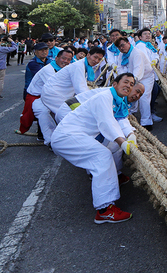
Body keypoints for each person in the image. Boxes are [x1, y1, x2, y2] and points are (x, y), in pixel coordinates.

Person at [51, 73, 139, 224]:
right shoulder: (104, 97)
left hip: (80, 135)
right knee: (102, 156)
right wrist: (122, 142)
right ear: (115, 83)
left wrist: (131, 135)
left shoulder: (118, 101)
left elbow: (121, 119)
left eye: (132, 84)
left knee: (110, 149)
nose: (129, 86)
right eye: (126, 82)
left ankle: (112, 176)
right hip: (67, 136)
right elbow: (107, 122)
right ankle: (105, 210)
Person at [25, 50, 74, 139]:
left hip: (52, 96)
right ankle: (50, 140)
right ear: (56, 58)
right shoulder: (48, 70)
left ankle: (62, 134)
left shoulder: (68, 68)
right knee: (44, 112)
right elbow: (54, 89)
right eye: (63, 58)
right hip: (38, 97)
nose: (66, 61)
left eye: (69, 59)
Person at [115, 37, 156, 130]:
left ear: (128, 43)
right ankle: (130, 116)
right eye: (119, 47)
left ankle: (146, 122)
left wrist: (130, 83)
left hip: (145, 77)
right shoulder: (122, 54)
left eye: (122, 45)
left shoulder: (136, 53)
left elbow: (139, 69)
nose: (121, 48)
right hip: (132, 77)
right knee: (129, 95)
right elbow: (120, 67)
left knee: (144, 97)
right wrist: (122, 80)